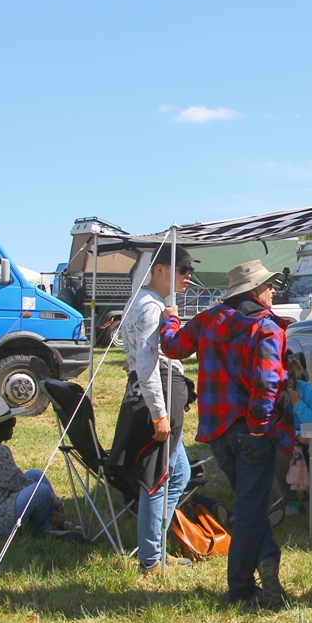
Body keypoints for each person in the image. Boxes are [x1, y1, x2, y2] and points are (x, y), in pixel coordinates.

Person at [161, 259, 294, 609]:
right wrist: (260, 426)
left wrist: (170, 320)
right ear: (253, 291)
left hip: (218, 430)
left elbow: (173, 348)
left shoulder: (208, 320)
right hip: (251, 430)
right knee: (250, 510)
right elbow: (267, 381)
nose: (273, 290)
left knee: (250, 506)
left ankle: (267, 558)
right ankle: (241, 589)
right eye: (268, 285)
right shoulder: (267, 327)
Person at [109, 242, 193, 576]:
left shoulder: (146, 302)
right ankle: (151, 559)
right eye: (183, 269)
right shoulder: (150, 307)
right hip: (157, 396)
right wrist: (159, 413)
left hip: (160, 392)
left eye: (190, 270)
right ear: (159, 269)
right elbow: (146, 365)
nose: (188, 276)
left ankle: (156, 546)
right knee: (158, 478)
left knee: (179, 473)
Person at [0, 397, 77, 541]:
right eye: (12, 422)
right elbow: (19, 484)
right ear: (1, 426)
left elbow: (17, 482)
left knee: (35, 475)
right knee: (40, 490)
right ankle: (45, 529)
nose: (13, 426)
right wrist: (56, 504)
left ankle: (52, 523)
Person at [274, 351, 312, 516]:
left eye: (291, 380)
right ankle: (290, 500)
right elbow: (272, 425)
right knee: (278, 448)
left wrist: (298, 404)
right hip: (288, 438)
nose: (288, 384)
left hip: (310, 438)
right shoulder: (272, 394)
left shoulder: (309, 390)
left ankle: (311, 499)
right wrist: (296, 435)